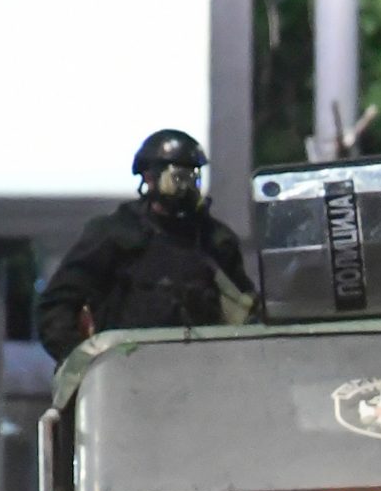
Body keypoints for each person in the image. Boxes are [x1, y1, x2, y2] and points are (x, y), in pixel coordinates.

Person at [39, 130, 253, 363]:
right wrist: (84, 364)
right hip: (125, 374)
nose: (188, 185)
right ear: (150, 177)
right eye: (179, 176)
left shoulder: (214, 240)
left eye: (194, 176)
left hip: (201, 373)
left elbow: (247, 311)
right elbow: (57, 307)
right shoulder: (116, 234)